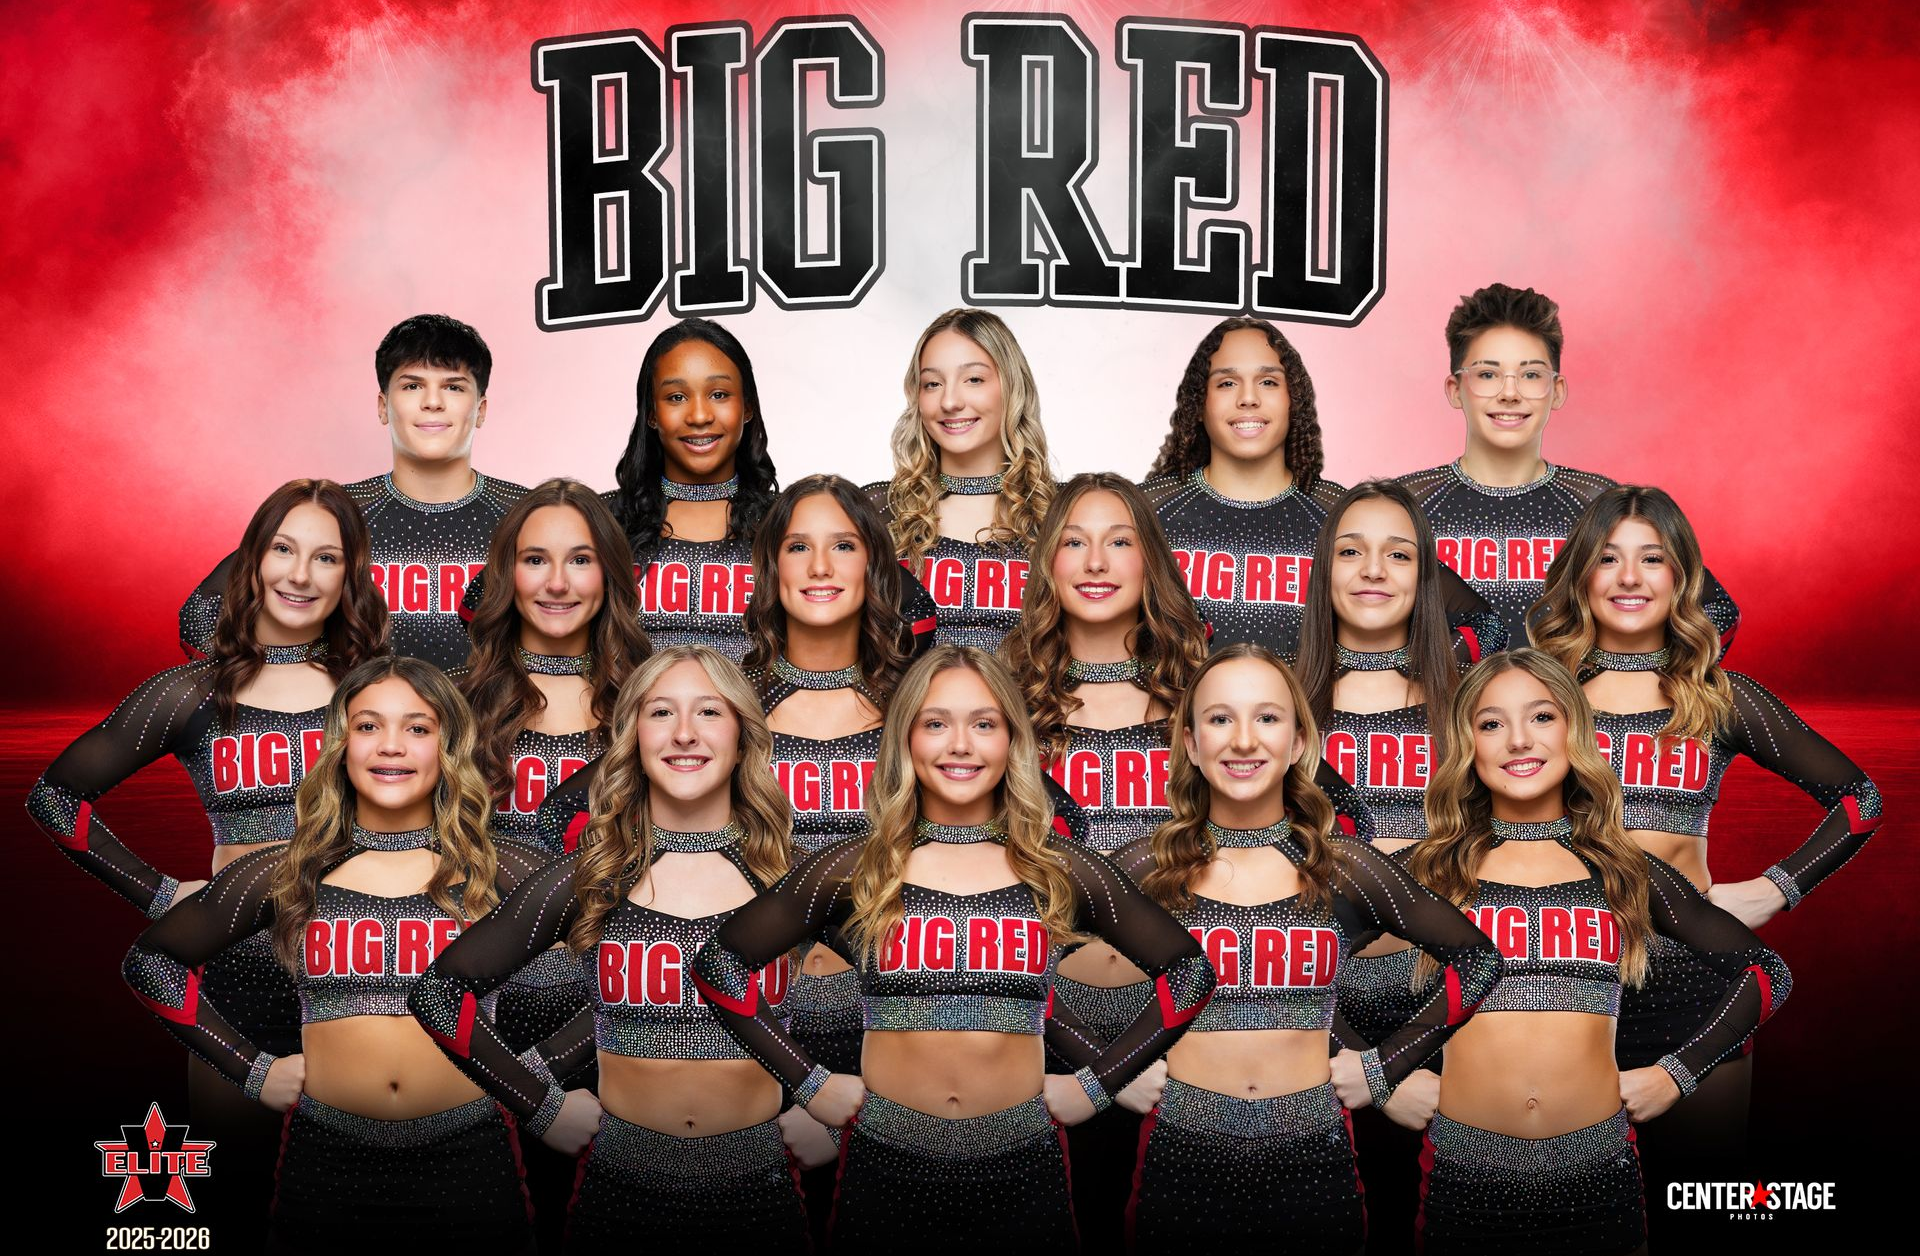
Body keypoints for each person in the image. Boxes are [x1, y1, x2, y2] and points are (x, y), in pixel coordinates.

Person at [690, 646, 1216, 1250]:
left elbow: (1189, 973)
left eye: (984, 724)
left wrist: (1097, 1085)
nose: (960, 745)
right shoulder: (858, 869)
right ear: (905, 739)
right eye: (936, 723)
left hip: (1022, 1166)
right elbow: (719, 965)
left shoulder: (1057, 869)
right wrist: (809, 1083)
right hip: (886, 1164)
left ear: (1012, 741)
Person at [121, 658, 556, 1253]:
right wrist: (252, 1068)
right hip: (325, 1162)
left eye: (418, 728)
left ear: (448, 747)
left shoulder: (502, 870)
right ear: (339, 746)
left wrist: (537, 1081)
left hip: (471, 1158)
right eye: (368, 726)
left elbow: (622, 960)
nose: (391, 746)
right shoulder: (288, 872)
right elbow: (151, 962)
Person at [410, 646, 812, 1248]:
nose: (684, 733)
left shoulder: (792, 877)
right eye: (660, 713)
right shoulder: (592, 877)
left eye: (709, 711)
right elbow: (440, 995)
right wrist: (540, 1105)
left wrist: (827, 1101)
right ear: (633, 737)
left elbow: (907, 981)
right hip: (619, 1189)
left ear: (742, 736)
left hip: (760, 1186)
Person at [1114, 644, 1502, 1253]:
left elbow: (1479, 960)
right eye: (1220, 718)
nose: (1244, 740)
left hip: (1313, 1163)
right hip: (1181, 1159)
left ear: (1298, 742)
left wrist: (1382, 1067)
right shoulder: (1149, 867)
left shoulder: (1342, 867)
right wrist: (1110, 1074)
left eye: (1267, 717)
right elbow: (1020, 960)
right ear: (1190, 743)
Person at [1405, 649, 1790, 1254]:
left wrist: (1676, 1074)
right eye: (1491, 723)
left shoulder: (1625, 871)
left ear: (1575, 732)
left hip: (1599, 1176)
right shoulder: (1430, 873)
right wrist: (1381, 1076)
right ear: (1466, 744)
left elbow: (1767, 974)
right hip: (1465, 1175)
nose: (1518, 739)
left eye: (1542, 716)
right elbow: (1289, 964)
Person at [1532, 484, 1880, 1153]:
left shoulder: (1718, 697)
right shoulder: (1535, 696)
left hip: (1697, 986)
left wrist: (1775, 889)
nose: (1629, 578)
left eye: (1653, 559)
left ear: (1683, 578)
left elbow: (1859, 801)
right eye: (1607, 558)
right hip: (1555, 983)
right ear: (1580, 576)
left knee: (1704, 1193)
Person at [32, 479, 387, 1057]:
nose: (300, 575)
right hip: (236, 970)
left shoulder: (379, 693)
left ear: (351, 577)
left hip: (370, 970)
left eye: (327, 558)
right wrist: (158, 893)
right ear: (251, 560)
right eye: (281, 549)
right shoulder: (194, 693)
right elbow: (55, 797)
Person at [999, 471, 1209, 1243]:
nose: (1095, 561)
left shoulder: (1206, 696)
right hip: (1042, 1028)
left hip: (1188, 1023)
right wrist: (1099, 1071)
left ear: (1150, 559)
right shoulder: (1001, 705)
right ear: (1048, 562)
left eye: (1119, 541)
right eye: (1074, 542)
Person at [1292, 479, 1471, 1237]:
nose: (1373, 570)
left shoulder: (1473, 708)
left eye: (1398, 554)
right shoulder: (1276, 707)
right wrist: (1366, 1063)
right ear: (1323, 571)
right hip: (1304, 1013)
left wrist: (1401, 1057)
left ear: (1425, 575)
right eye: (1350, 552)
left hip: (1450, 1005)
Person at [1144, 317, 1503, 665]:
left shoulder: (1344, 515)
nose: (1248, 398)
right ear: (1199, 402)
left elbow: (1485, 626)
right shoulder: (1145, 510)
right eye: (1226, 383)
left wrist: (1396, 674)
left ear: (1293, 400)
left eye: (1268, 382)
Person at [1397, 283, 1738, 648]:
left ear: (1557, 390)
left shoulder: (1600, 503)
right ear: (1455, 389)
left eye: (1531, 375)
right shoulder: (1404, 505)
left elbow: (1716, 611)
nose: (1509, 393)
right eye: (1488, 374)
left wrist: (1633, 676)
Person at [178, 315, 527, 670]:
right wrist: (294, 681)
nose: (433, 401)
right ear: (382, 407)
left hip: (493, 709)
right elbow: (200, 614)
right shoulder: (332, 513)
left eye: (454, 387)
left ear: (480, 409)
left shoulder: (529, 515)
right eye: (412, 386)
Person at [864, 308, 1057, 651]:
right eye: (933, 384)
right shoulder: (878, 511)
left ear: (1012, 387)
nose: (950, 401)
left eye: (974, 380)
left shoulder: (1061, 512)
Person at [604, 317, 781, 659]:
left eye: (719, 394)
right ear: (651, 414)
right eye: (676, 397)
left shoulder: (788, 523)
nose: (699, 416)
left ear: (747, 406)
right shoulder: (602, 521)